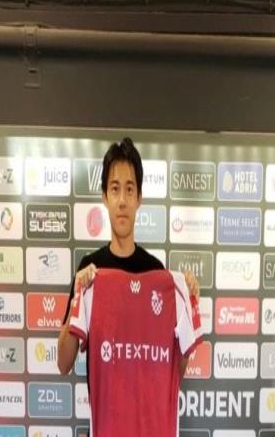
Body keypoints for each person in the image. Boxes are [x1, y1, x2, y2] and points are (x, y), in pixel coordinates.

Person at [57, 136, 200, 378]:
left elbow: (175, 371)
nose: (122, 200)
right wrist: (76, 302)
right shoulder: (90, 270)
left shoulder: (156, 272)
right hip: (105, 405)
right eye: (115, 189)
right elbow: (63, 363)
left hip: (147, 405)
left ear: (139, 198)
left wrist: (188, 303)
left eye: (130, 189)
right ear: (105, 197)